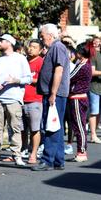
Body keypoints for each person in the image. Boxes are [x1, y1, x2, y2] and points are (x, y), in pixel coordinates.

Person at [0, 34, 31, 166]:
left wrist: (16, 80)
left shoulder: (20, 59)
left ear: (9, 43)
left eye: (1, 41)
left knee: (15, 128)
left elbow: (29, 78)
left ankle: (17, 155)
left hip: (14, 98)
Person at [32, 24, 70, 172]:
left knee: (51, 125)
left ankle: (47, 160)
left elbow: (58, 71)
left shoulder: (57, 47)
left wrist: (53, 93)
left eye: (43, 36)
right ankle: (58, 160)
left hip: (55, 94)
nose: (42, 39)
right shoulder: (54, 48)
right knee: (57, 126)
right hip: (53, 93)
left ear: (50, 35)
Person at [67, 43, 93, 163]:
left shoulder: (82, 65)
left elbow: (70, 77)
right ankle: (81, 151)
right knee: (79, 125)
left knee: (79, 127)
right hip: (79, 98)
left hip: (78, 98)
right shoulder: (85, 64)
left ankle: (81, 151)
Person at [23, 39, 44, 164]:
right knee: (21, 129)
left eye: (34, 47)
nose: (31, 49)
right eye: (30, 46)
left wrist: (27, 79)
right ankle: (23, 150)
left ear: (40, 50)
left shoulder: (41, 62)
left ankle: (34, 153)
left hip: (35, 100)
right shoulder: (23, 61)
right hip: (21, 99)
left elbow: (42, 79)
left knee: (34, 129)